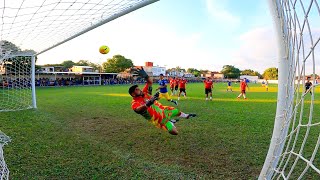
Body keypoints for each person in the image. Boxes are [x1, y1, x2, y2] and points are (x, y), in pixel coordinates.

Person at [129, 67, 196, 135]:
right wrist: (147, 104)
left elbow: (150, 82)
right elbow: (138, 110)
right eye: (137, 90)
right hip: (159, 119)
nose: (139, 90)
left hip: (164, 110)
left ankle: (186, 116)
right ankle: (170, 122)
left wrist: (146, 76)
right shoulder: (134, 103)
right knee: (174, 132)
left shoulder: (145, 93)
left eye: (138, 88)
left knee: (176, 111)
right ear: (133, 94)